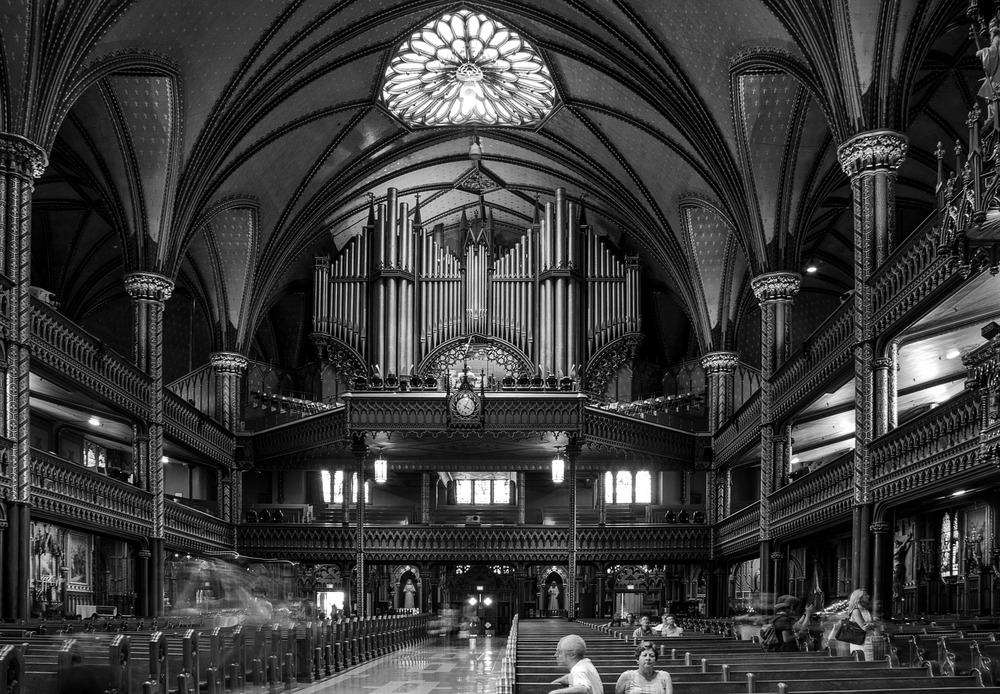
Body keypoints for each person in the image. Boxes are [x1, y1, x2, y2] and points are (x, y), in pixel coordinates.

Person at [845, 588, 877, 661]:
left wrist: (871, 625)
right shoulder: (856, 611)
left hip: (868, 639)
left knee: (871, 661)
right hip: (859, 642)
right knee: (863, 662)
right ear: (859, 598)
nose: (868, 596)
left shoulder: (865, 610)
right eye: (865, 595)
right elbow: (864, 627)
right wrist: (871, 625)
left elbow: (873, 624)